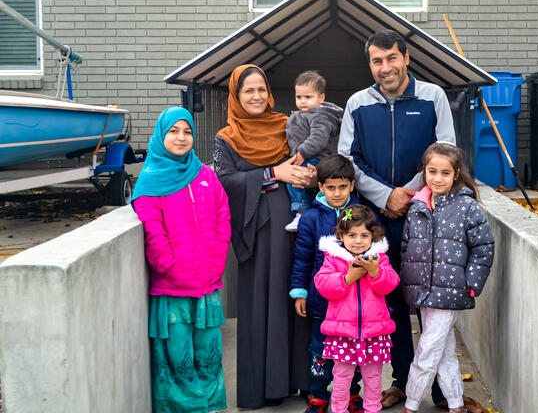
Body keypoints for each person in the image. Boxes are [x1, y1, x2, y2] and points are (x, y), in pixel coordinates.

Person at [338, 29, 456, 408]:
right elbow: (348, 160)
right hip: (376, 222)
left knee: (430, 308)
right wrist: (383, 195)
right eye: (377, 61)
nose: (385, 67)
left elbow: (445, 153)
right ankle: (403, 383)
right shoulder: (357, 103)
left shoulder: (433, 97)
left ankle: (441, 392)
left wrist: (406, 192)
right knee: (389, 308)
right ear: (370, 64)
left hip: (425, 216)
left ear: (405, 57)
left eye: (391, 58)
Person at [213, 64, 315, 409]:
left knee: (298, 299)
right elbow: (223, 181)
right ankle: (261, 388)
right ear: (236, 97)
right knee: (261, 304)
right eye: (248, 91)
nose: (256, 97)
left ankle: (304, 380)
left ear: (270, 93)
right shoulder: (225, 137)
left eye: (261, 90)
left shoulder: (289, 125)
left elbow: (313, 157)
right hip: (256, 231)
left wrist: (309, 174)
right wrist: (273, 172)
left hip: (296, 229)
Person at [132, 107, 230, 413]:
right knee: (179, 355)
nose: (181, 137)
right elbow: (153, 231)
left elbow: (222, 218)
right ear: (161, 135)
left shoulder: (204, 175)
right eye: (173, 131)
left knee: (209, 351)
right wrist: (169, 267)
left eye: (187, 131)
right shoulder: (150, 180)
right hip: (173, 289)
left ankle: (211, 404)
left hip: (207, 285)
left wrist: (215, 259)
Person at [400, 142, 494, 413]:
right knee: (444, 351)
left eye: (444, 173)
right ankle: (455, 404)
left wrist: (472, 283)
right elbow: (407, 247)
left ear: (456, 174)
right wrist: (409, 280)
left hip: (450, 292)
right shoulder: (417, 205)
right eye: (432, 171)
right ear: (424, 172)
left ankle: (411, 403)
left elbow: (483, 248)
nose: (437, 178)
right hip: (422, 291)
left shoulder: (467, 207)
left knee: (427, 351)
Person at [289, 154, 364, 413]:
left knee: (353, 349)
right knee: (320, 349)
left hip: (354, 302)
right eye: (330, 187)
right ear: (320, 186)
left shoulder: (361, 213)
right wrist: (300, 292)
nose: (336, 193)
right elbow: (302, 257)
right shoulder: (310, 218)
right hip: (322, 301)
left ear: (352, 186)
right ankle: (318, 393)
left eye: (342, 187)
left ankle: (353, 393)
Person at [314, 204, 400, 413]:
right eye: (352, 235)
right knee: (342, 376)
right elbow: (323, 285)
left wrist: (375, 272)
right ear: (341, 236)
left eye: (364, 235)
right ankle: (339, 410)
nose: (358, 240)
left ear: (373, 237)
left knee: (373, 377)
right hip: (343, 333)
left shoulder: (380, 259)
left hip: (374, 332)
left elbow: (390, 284)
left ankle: (372, 409)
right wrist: (348, 278)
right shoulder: (333, 259)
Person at [285, 70, 343, 232]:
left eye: (308, 97)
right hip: (303, 156)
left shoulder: (320, 115)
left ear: (321, 98)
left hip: (315, 157)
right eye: (299, 97)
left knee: (296, 180)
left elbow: (319, 138)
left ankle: (301, 212)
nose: (303, 101)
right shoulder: (301, 115)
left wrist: (301, 152)